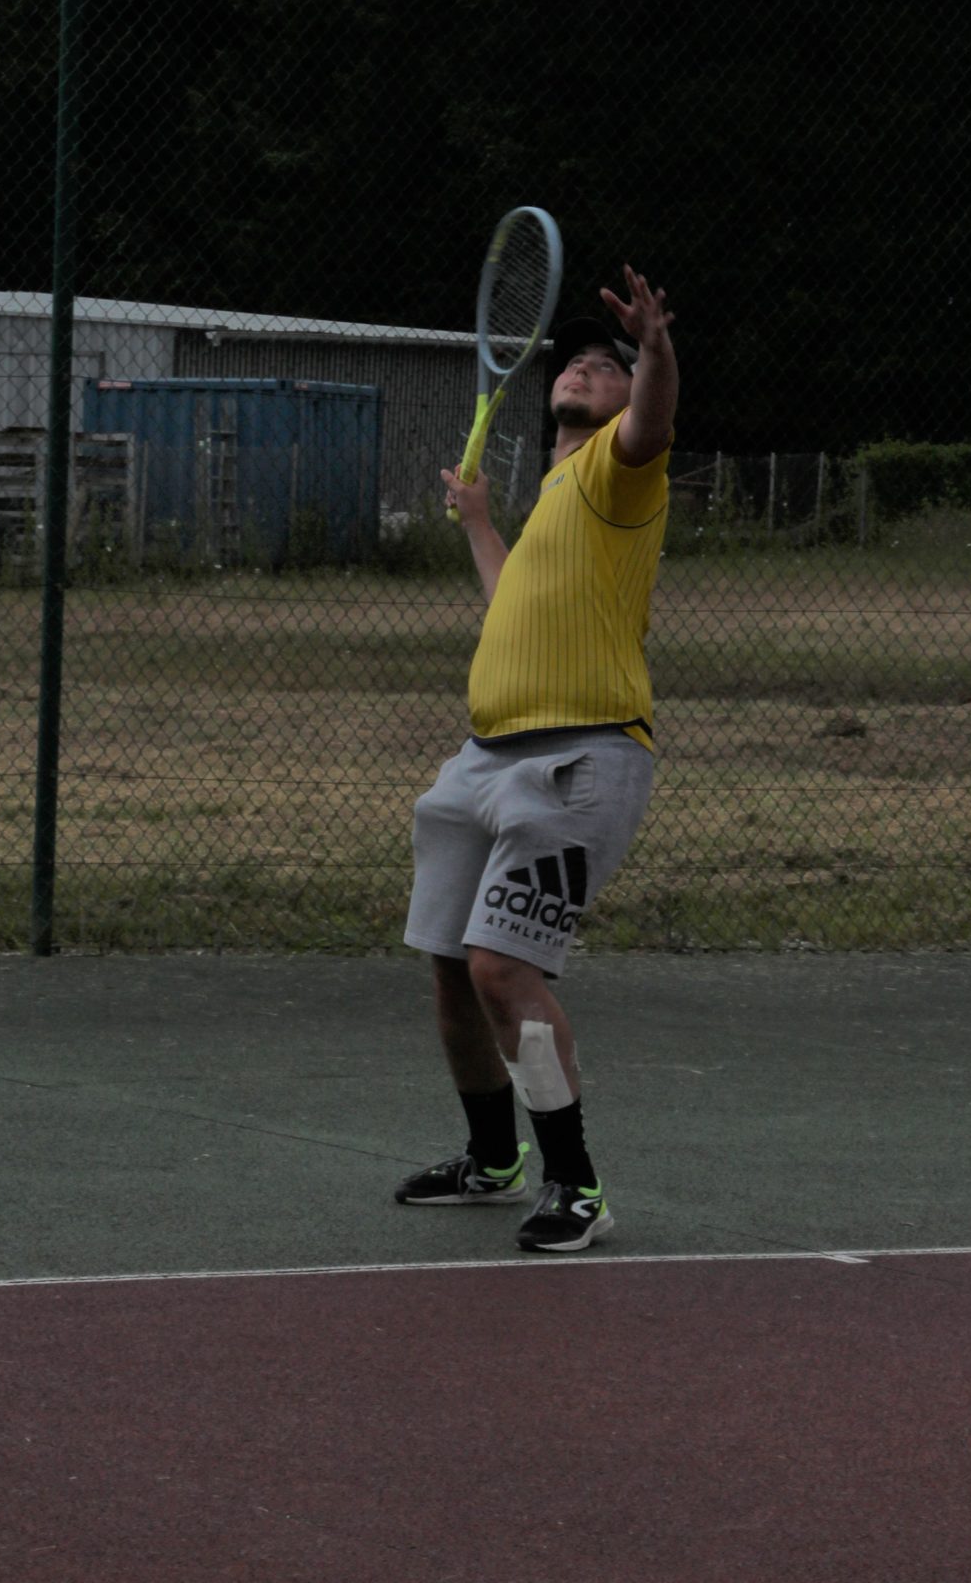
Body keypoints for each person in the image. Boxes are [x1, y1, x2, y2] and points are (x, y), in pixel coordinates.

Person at [394, 264, 678, 1254]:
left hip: (580, 760)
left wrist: (658, 349)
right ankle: (492, 1157)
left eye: (608, 364)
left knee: (502, 967)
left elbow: (653, 420)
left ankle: (575, 1182)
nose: (585, 369)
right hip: (481, 761)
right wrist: (480, 522)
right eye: (576, 362)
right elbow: (514, 597)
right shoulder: (558, 494)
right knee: (449, 964)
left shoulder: (618, 473)